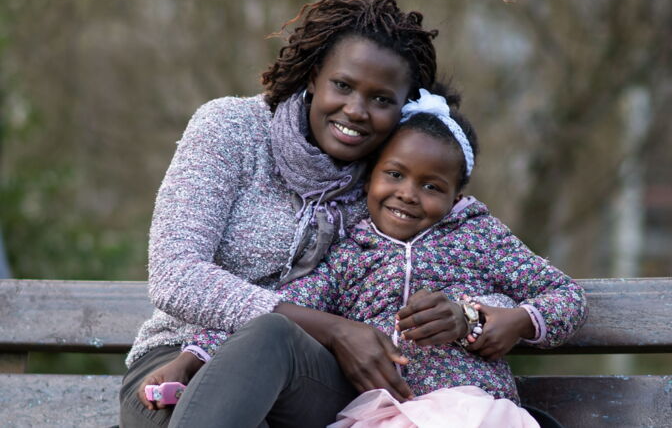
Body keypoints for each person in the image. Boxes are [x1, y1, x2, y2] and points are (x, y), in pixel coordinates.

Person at [144, 87, 587, 427]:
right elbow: (284, 311)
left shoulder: (479, 237)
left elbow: (565, 295)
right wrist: (194, 355)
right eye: (394, 174)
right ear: (370, 177)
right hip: (382, 411)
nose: (407, 194)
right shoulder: (350, 253)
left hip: (468, 405)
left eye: (431, 186)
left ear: (456, 197)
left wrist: (516, 320)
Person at [119, 0, 440, 428]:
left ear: (405, 105)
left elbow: (463, 260)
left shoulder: (396, 183)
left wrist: (478, 316)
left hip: (315, 379)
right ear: (313, 77)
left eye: (381, 100)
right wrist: (332, 327)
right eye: (343, 86)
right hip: (180, 358)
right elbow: (176, 276)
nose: (355, 111)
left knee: (274, 343)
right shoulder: (233, 128)